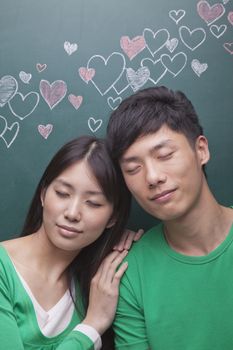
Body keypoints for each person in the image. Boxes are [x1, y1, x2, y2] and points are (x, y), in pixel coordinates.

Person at [106, 86, 233, 349]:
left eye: (164, 155)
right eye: (133, 168)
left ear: (201, 151)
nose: (152, 177)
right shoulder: (130, 275)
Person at [0, 135, 143, 350]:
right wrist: (92, 325)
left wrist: (123, 244)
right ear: (43, 194)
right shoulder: (4, 269)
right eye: (62, 193)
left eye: (93, 203)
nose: (72, 213)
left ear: (113, 218)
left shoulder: (96, 284)